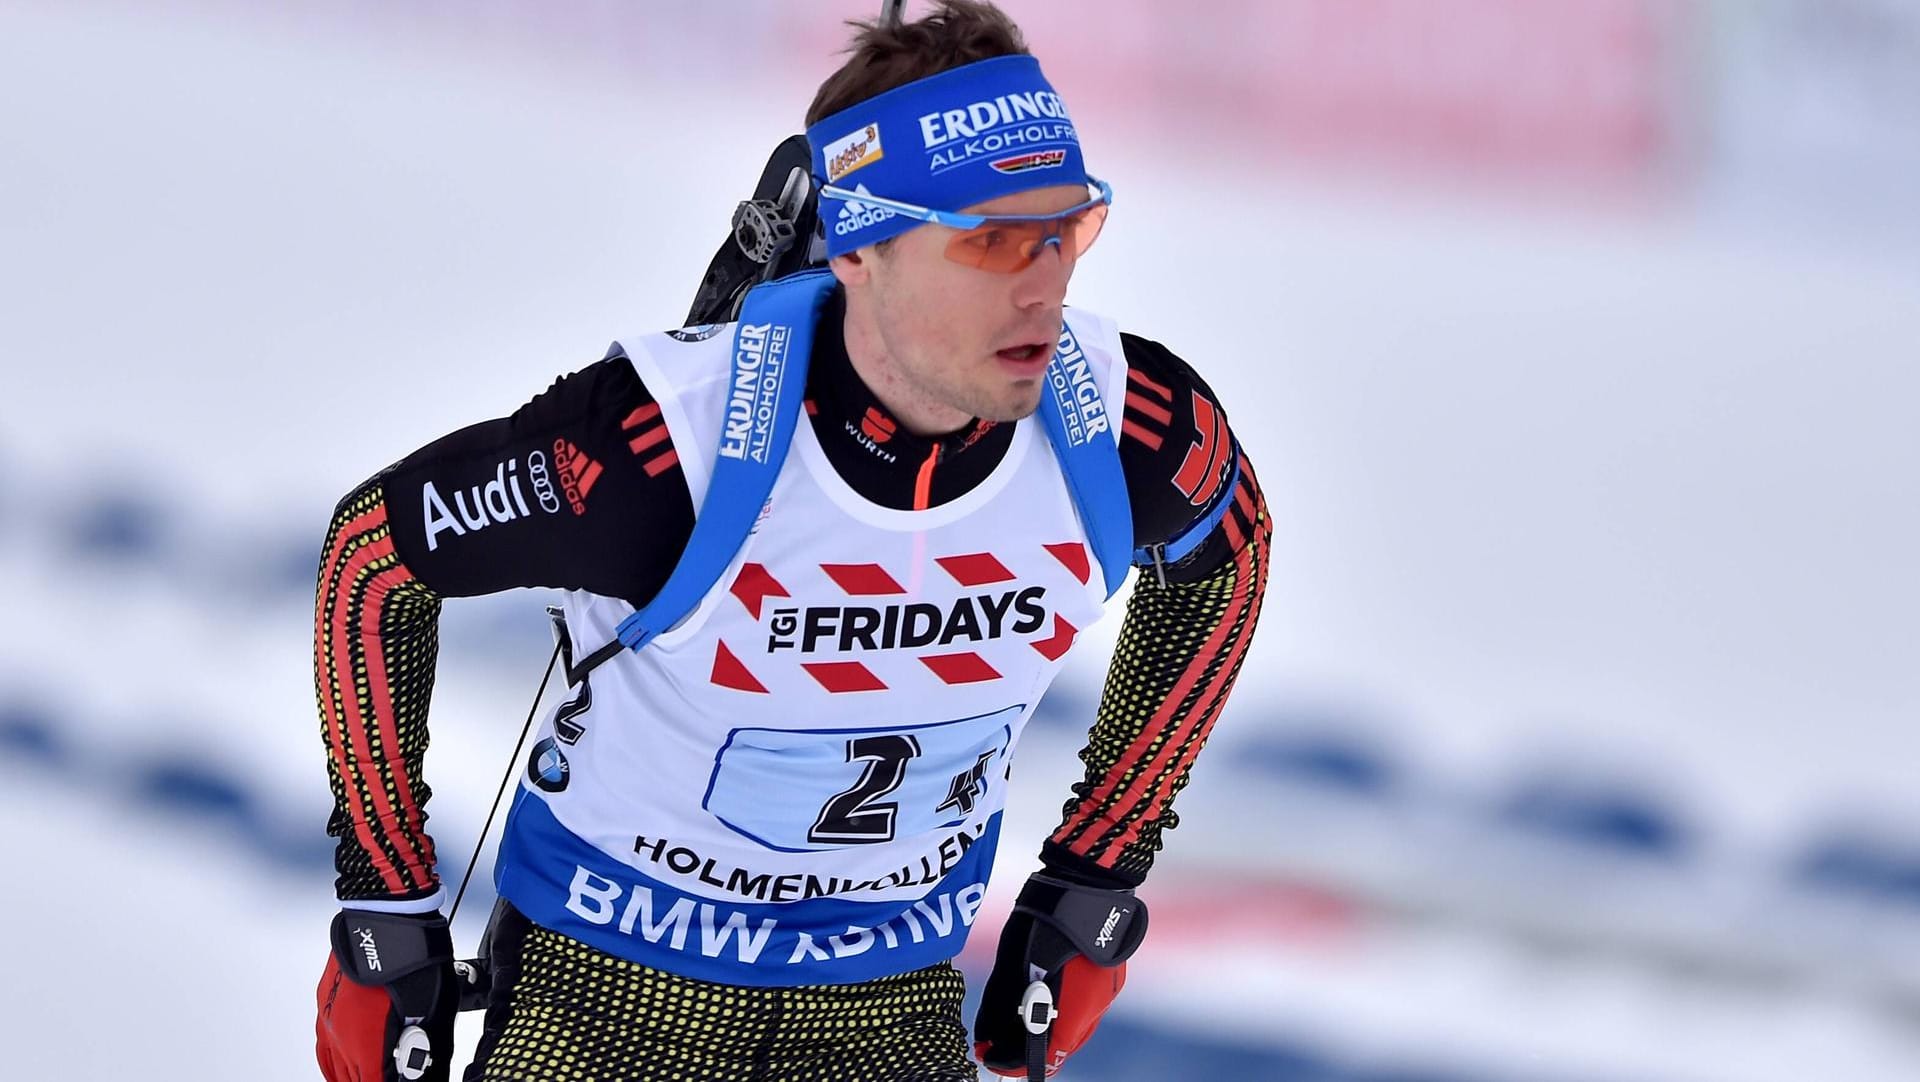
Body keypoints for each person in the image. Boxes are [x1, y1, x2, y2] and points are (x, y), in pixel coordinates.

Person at [310, 3, 1270, 1079]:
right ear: (861, 246)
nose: (1043, 283)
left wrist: (1100, 867)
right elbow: (375, 558)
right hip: (605, 1005)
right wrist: (384, 905)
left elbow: (1228, 556)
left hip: (886, 1005)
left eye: (1066, 228)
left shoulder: (1129, 424)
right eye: (990, 238)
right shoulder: (668, 445)